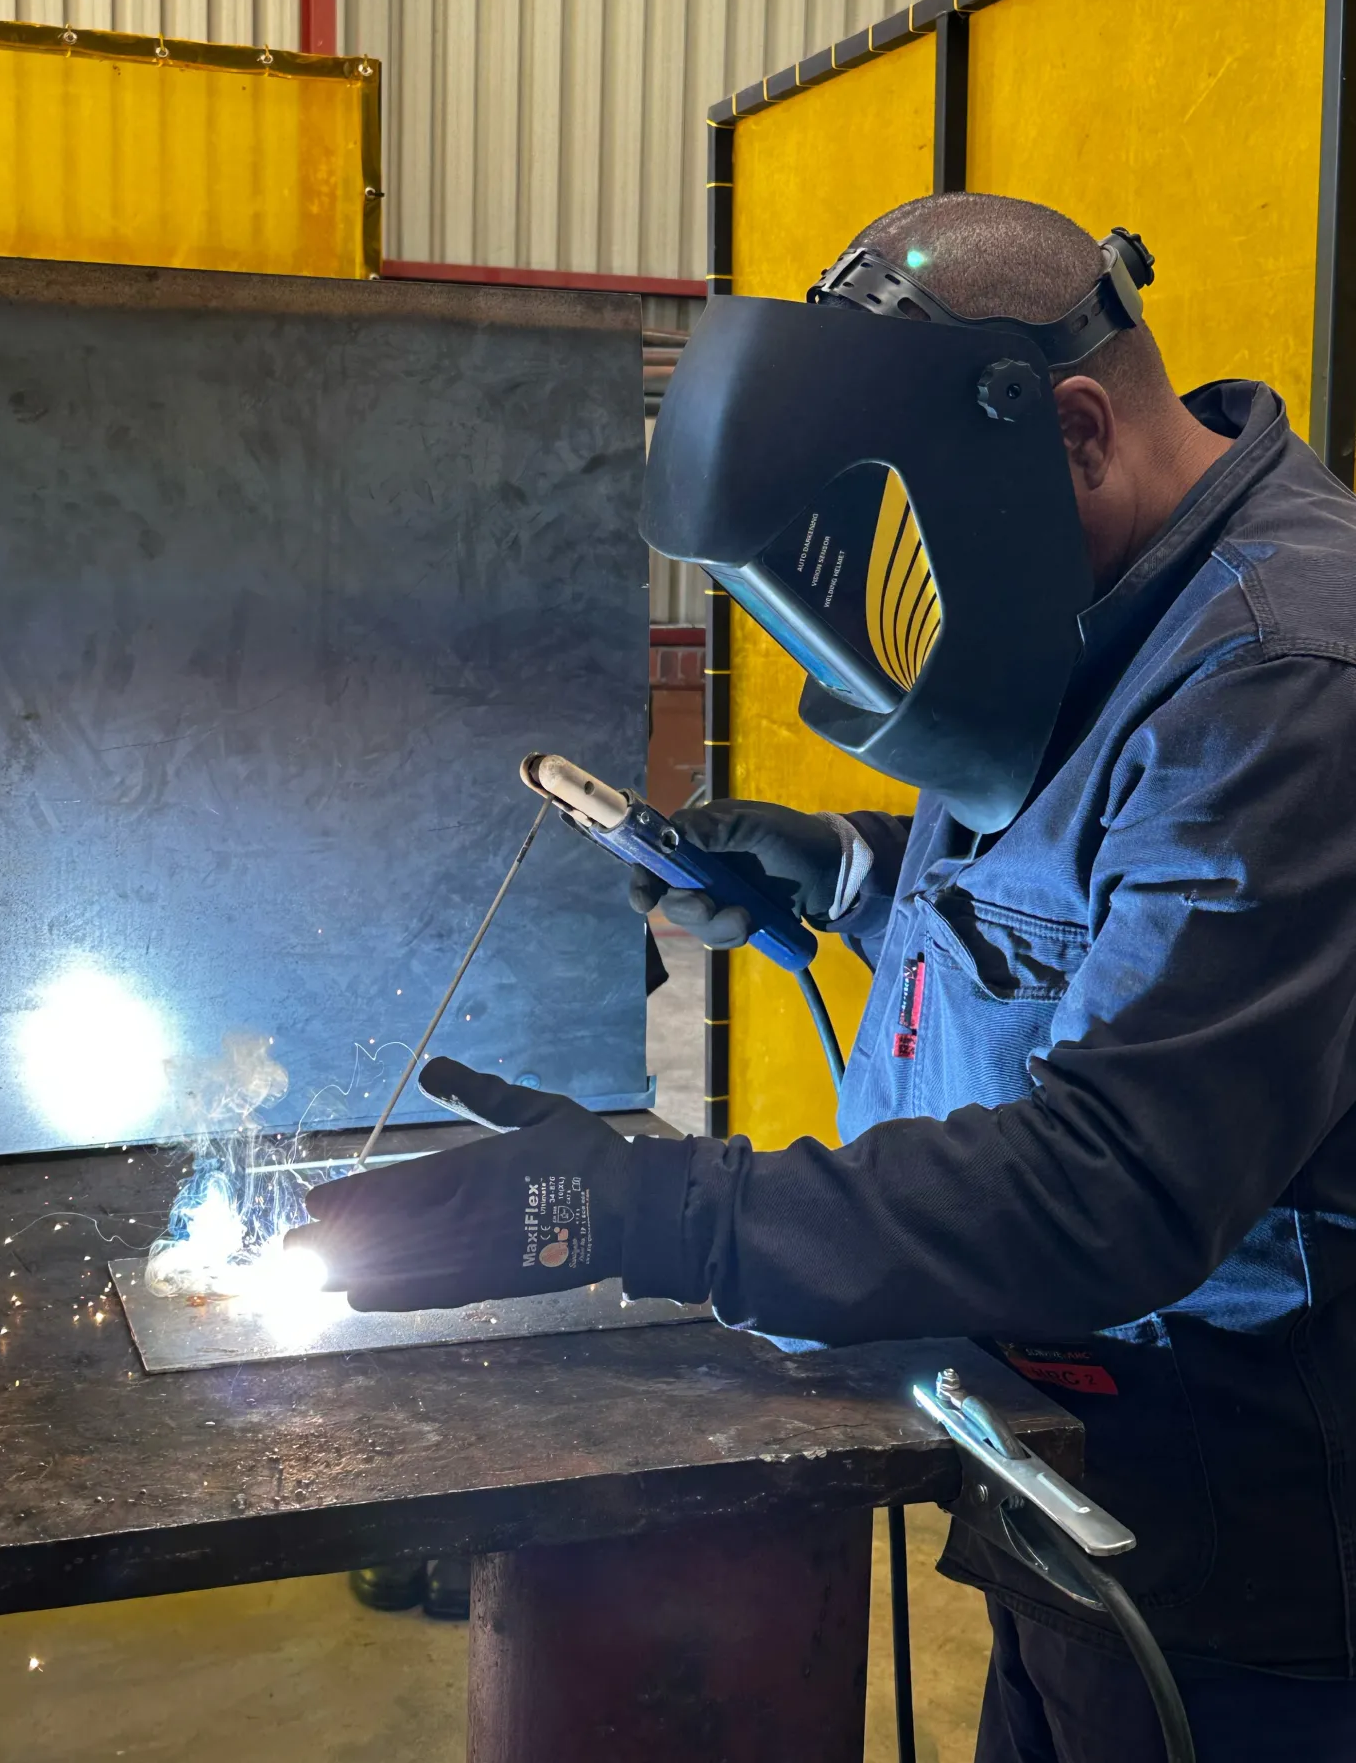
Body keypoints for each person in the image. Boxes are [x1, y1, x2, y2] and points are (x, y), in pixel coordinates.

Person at [290, 194, 1356, 1761]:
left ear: (1071, 432)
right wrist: (847, 876)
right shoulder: (1099, 594)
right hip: (1067, 1492)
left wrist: (646, 1207)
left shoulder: (1284, 684)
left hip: (1244, 1572)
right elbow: (1078, 907)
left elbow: (1113, 1180)